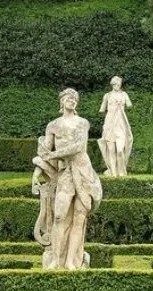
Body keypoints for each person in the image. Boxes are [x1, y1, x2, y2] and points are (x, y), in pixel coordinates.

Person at [31, 88, 102, 270]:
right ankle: (56, 259)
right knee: (60, 215)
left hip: (83, 172)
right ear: (61, 101)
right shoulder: (53, 125)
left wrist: (54, 154)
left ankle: (71, 261)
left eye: (75, 98)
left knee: (79, 218)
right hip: (65, 175)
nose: (72, 100)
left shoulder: (82, 123)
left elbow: (79, 147)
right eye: (69, 98)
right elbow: (44, 152)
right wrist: (37, 173)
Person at [98, 76, 133, 177]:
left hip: (121, 124)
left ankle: (121, 172)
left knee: (120, 150)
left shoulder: (124, 94)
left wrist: (122, 104)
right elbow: (102, 109)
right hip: (110, 124)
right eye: (115, 84)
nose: (117, 86)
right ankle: (113, 173)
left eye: (119, 84)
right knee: (111, 151)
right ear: (112, 84)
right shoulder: (107, 96)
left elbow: (129, 104)